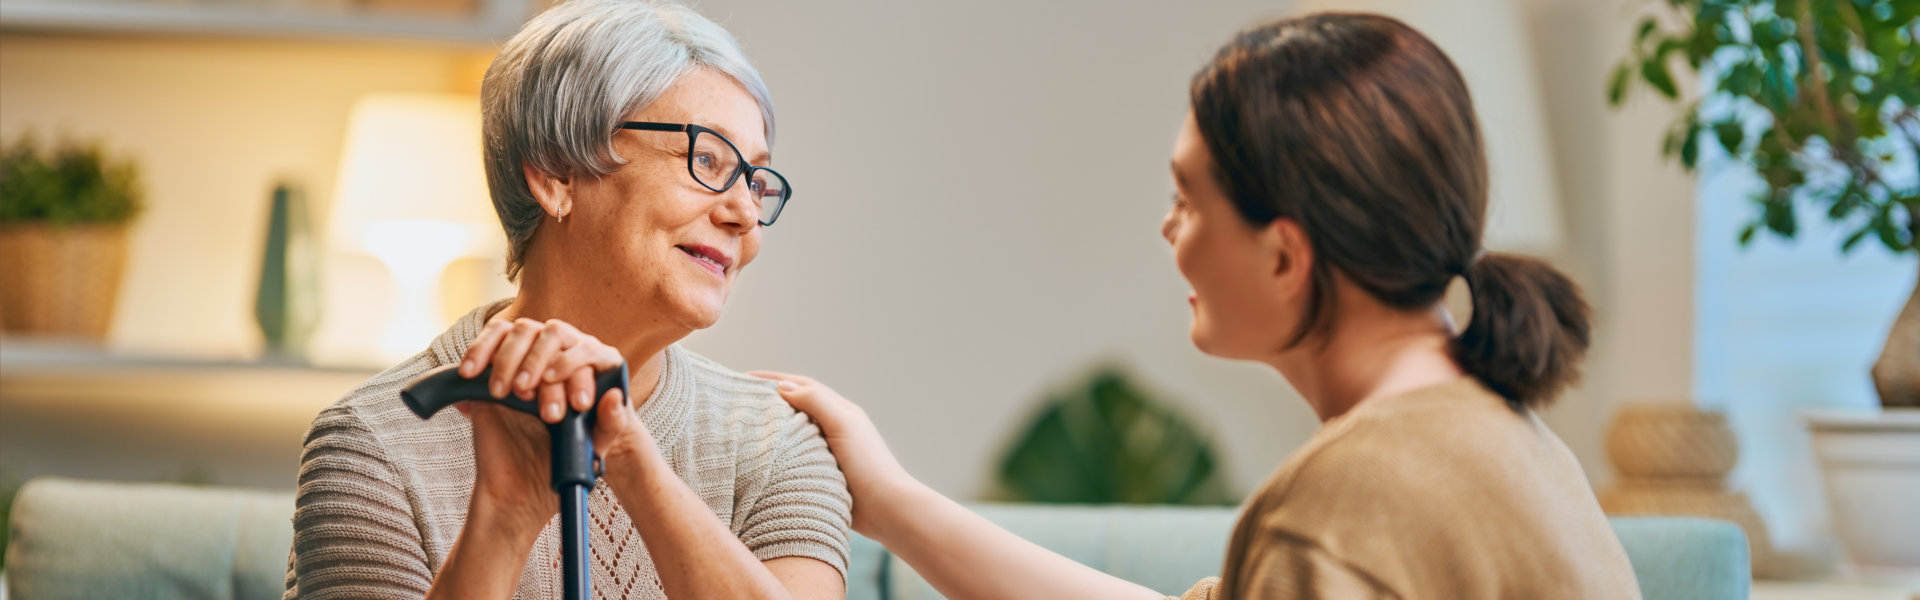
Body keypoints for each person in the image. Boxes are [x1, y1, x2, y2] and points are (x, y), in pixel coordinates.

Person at [751, 13, 1641, 599]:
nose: (1168, 230)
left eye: (1188, 198)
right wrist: (892, 502)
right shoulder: (1502, 440)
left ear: (1284, 251)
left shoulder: (1349, 498)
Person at [282, 1, 850, 598]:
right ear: (556, 173)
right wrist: (502, 519)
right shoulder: (373, 445)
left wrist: (627, 452)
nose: (744, 217)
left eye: (755, 182)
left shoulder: (774, 440)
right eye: (707, 160)